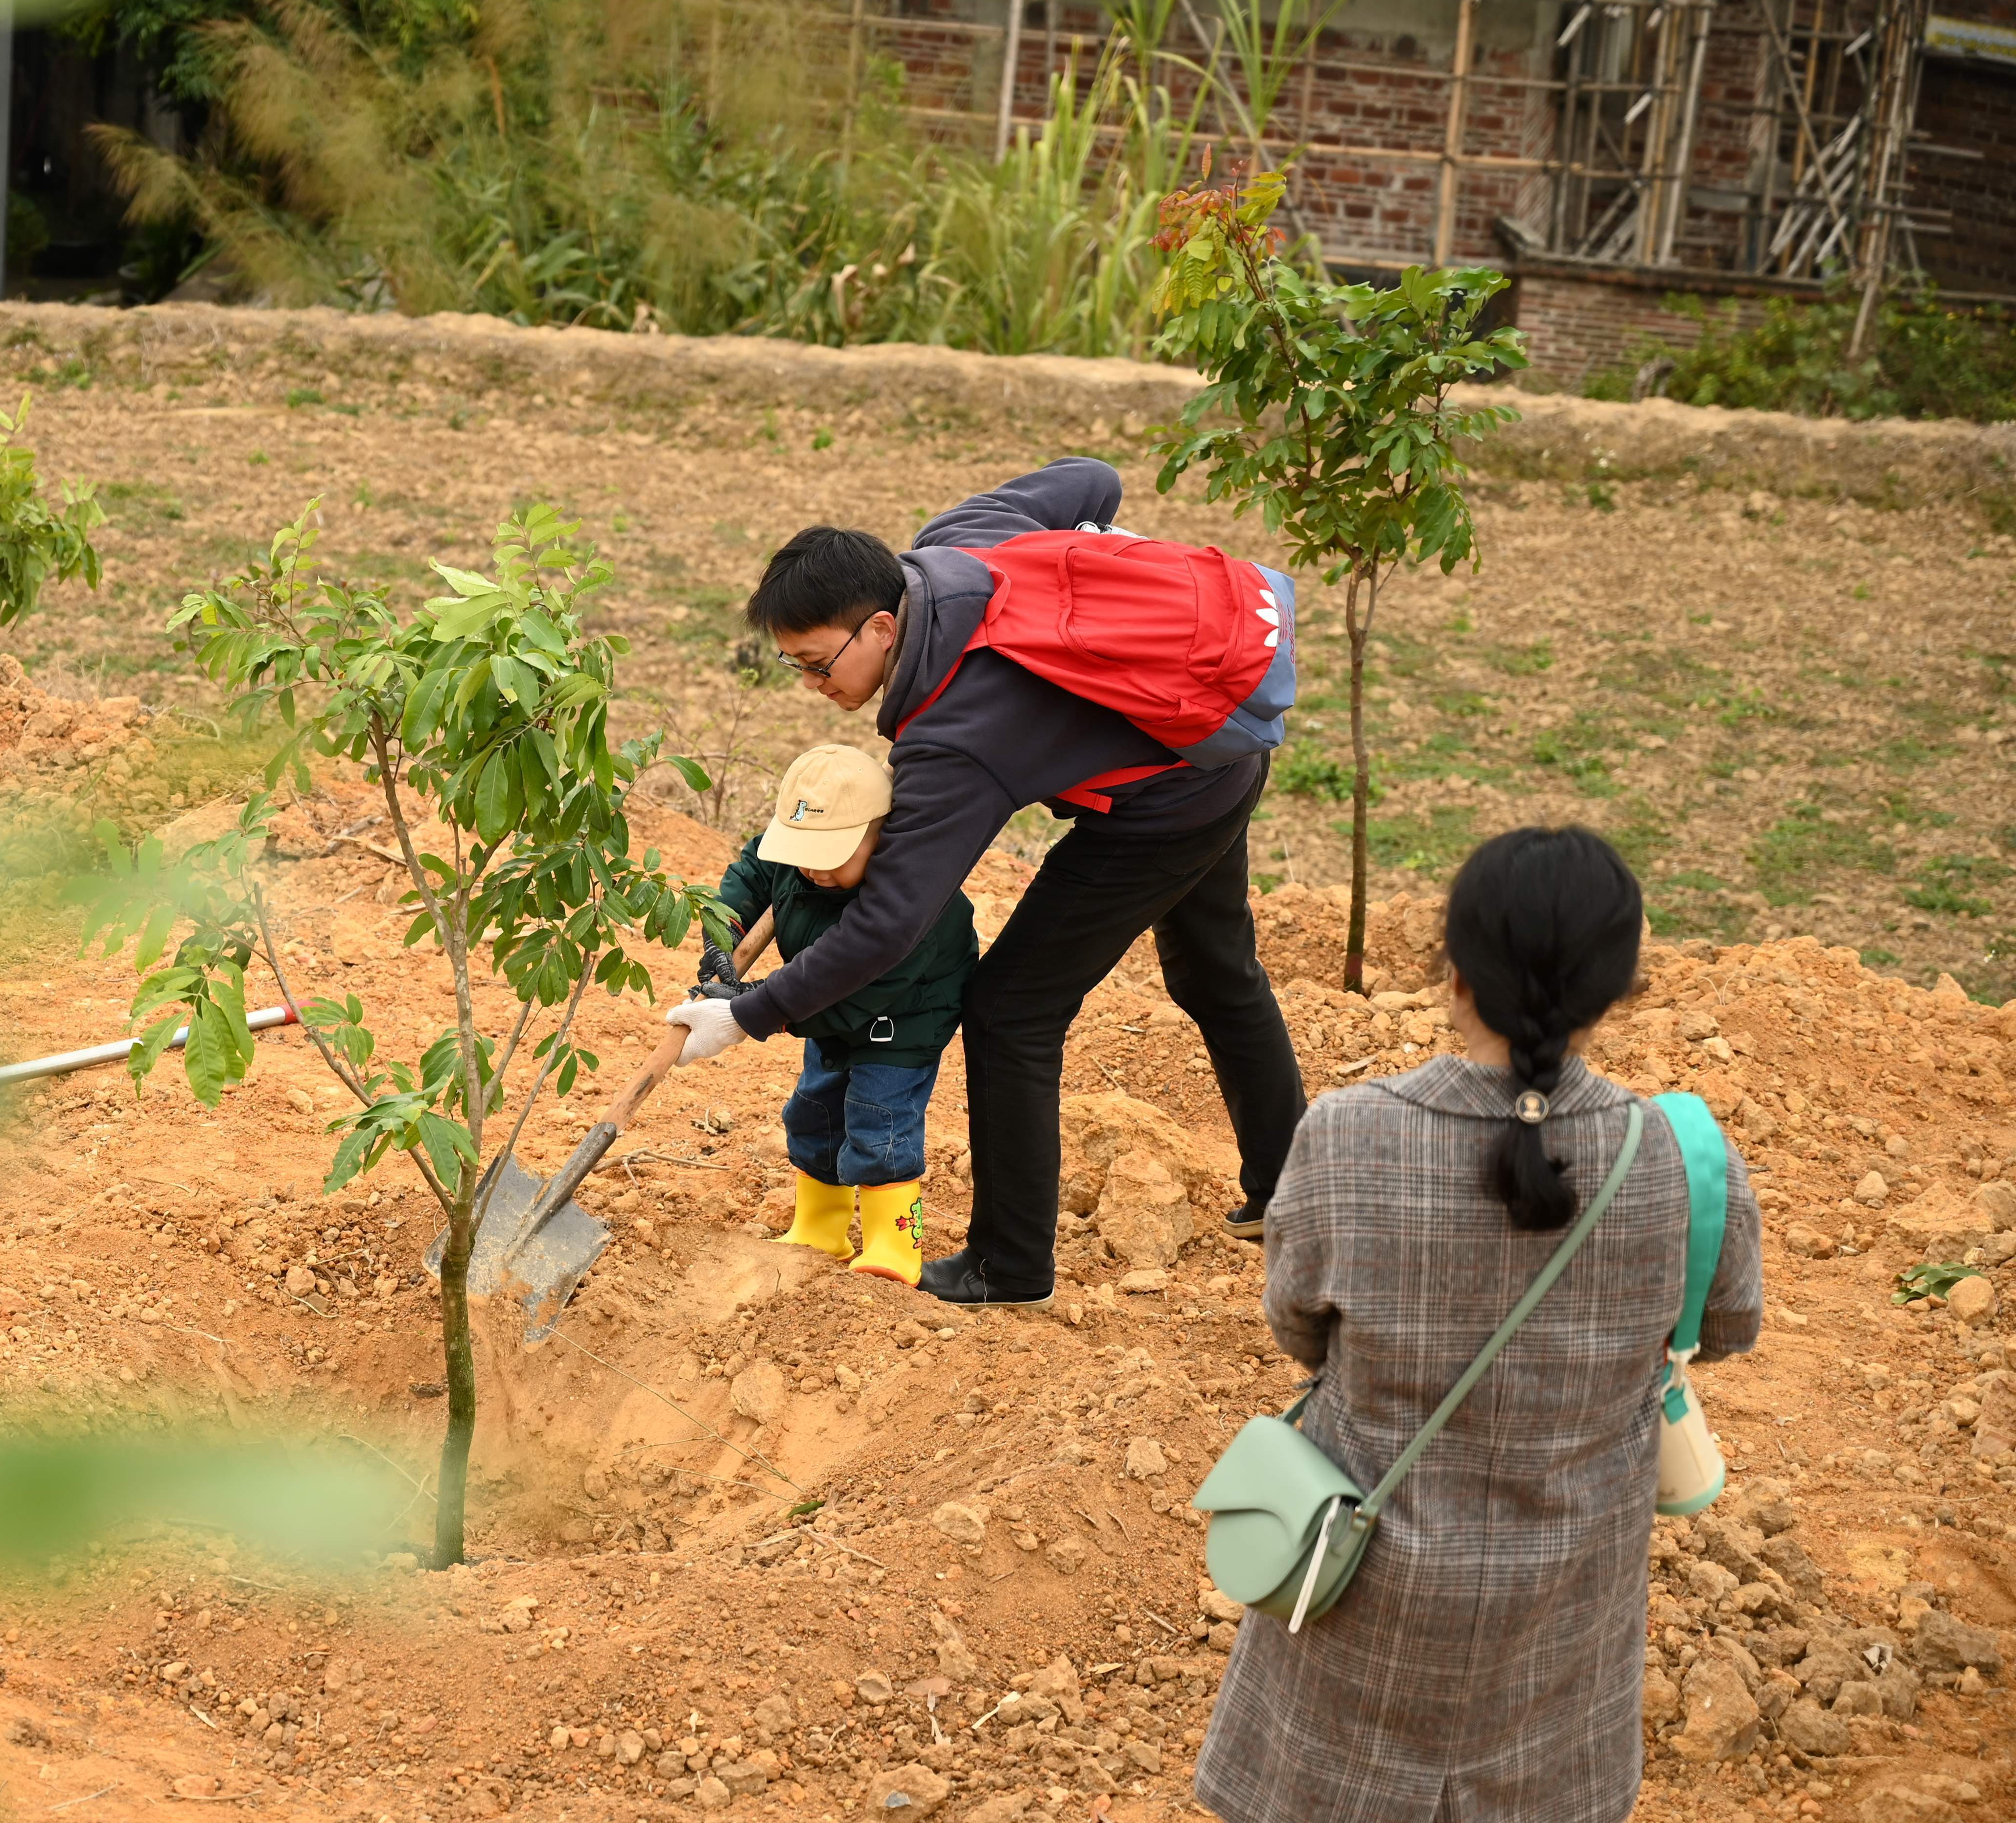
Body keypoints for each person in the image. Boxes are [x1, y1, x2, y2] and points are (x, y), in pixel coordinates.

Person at [1193, 826, 1762, 1823]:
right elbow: (1719, 1327)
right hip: (1563, 1647)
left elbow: (1298, 1328)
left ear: (1452, 970)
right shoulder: (1681, 1159)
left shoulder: (1346, 1134)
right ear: (1619, 986)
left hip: (1356, 1611)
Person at [663, 458, 1305, 1308]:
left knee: (1011, 1008)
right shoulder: (954, 544)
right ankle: (1295, 1197)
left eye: (819, 663)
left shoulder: (951, 742)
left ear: (883, 626)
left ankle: (1008, 1266)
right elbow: (1092, 481)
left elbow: (889, 921)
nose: (814, 687)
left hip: (1168, 799)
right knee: (1216, 973)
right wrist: (1101, 573)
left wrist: (748, 1014)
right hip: (1209, 749)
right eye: (795, 667)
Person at [705, 744, 977, 1285]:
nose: (813, 869)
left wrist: (762, 1004)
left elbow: (855, 986)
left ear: (880, 837)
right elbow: (751, 875)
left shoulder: (910, 901)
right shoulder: (796, 858)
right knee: (814, 1113)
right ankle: (820, 1226)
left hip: (900, 1022)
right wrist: (724, 938)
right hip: (819, 1009)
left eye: (831, 857)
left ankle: (894, 1243)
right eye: (803, 852)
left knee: (881, 1124)